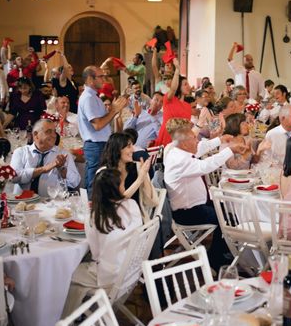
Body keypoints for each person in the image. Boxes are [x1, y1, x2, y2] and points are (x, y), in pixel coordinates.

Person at [62, 168, 145, 316]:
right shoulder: (132, 204)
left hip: (111, 277)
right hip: (132, 271)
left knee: (62, 274)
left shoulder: (95, 216)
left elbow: (95, 254)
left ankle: (67, 323)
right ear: (119, 187)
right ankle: (85, 315)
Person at [164, 124, 247, 270]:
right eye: (194, 138)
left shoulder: (179, 152)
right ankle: (215, 257)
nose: (197, 141)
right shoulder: (180, 160)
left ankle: (222, 250)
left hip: (196, 206)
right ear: (183, 143)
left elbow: (201, 148)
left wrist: (220, 140)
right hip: (188, 212)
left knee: (229, 209)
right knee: (226, 218)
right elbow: (206, 166)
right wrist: (230, 150)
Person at [78, 66, 128, 194]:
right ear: (90, 79)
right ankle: (91, 211)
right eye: (100, 76)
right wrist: (113, 110)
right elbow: (98, 125)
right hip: (95, 146)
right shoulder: (88, 98)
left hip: (100, 144)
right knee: (94, 184)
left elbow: (102, 120)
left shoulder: (93, 96)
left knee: (101, 184)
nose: (104, 79)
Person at [11, 119, 81, 196]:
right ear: (35, 134)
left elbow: (75, 183)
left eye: (54, 131)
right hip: (23, 203)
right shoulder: (21, 152)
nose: (54, 135)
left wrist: (62, 169)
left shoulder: (63, 154)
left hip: (51, 204)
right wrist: (44, 169)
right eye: (49, 132)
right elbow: (14, 178)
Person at [99, 133, 158, 221]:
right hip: (112, 220)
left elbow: (150, 200)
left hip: (136, 219)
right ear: (118, 149)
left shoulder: (137, 167)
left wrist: (144, 176)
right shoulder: (104, 173)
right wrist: (139, 179)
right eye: (128, 146)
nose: (133, 150)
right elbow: (117, 203)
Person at [155, 59, 193, 147]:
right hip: (167, 137)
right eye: (185, 84)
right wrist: (177, 70)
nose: (189, 87)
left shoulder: (188, 106)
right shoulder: (169, 99)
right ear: (178, 86)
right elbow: (173, 89)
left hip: (180, 140)